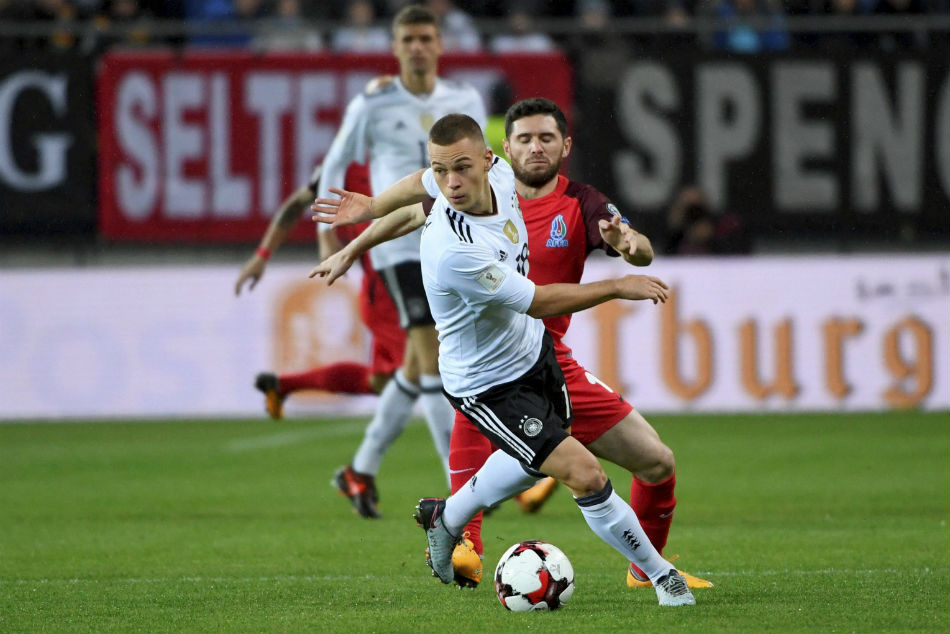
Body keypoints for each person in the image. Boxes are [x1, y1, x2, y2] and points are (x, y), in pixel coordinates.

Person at [311, 98, 713, 592]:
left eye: (460, 168)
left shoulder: (501, 178)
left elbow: (419, 187)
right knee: (583, 474)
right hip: (488, 383)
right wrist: (615, 286)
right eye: (442, 171)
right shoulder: (455, 250)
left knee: (536, 461)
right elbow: (539, 300)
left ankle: (449, 514)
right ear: (507, 146)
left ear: (486, 160)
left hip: (535, 354)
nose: (450, 183)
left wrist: (369, 212)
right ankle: (662, 579)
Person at [313, 4, 489, 513]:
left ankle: (358, 471)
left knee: (415, 366)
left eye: (424, 38)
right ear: (395, 47)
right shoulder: (372, 102)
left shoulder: (464, 98)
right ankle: (465, 489)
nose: (416, 47)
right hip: (396, 243)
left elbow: (479, 164)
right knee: (431, 356)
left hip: (451, 237)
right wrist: (330, 237)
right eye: (407, 38)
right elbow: (335, 162)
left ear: (439, 44)